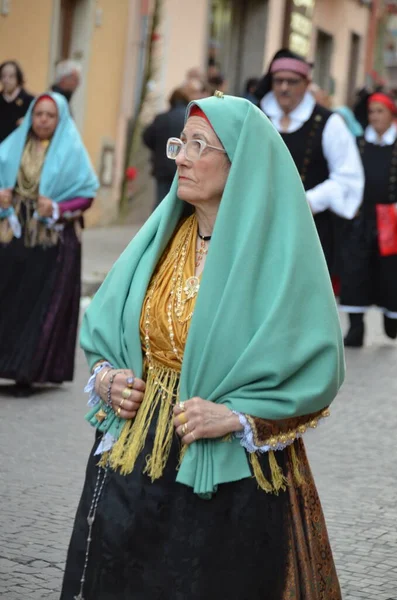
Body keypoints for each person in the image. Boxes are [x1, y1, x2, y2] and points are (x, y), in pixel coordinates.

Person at [61, 94, 344, 599]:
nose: (181, 158)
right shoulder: (161, 240)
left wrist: (236, 418)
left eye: (199, 146)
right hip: (135, 463)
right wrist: (106, 377)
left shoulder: (274, 261)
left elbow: (312, 367)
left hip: (229, 482)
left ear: (241, 164)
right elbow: (106, 326)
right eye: (180, 144)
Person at [0, 92, 99, 396]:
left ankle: (27, 369)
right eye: (38, 114)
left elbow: (86, 194)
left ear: (60, 119)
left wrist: (57, 208)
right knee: (9, 298)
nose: (43, 120)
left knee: (38, 303)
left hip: (51, 241)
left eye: (50, 115)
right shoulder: (13, 145)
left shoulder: (70, 149)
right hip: (13, 234)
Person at [256, 49, 364, 276]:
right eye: (279, 81)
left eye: (292, 82)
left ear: (306, 84)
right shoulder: (257, 117)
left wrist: (308, 202)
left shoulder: (328, 122)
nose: (284, 88)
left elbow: (347, 176)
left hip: (310, 229)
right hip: (260, 222)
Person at [340, 93, 397, 347]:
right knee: (356, 269)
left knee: (390, 271)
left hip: (392, 218)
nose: (375, 116)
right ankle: (356, 326)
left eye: (380, 111)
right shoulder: (358, 143)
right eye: (372, 112)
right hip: (361, 215)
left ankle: (391, 316)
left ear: (391, 115)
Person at [143, 88, 189, 208]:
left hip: (162, 168)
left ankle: (158, 226)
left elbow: (146, 137)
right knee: (182, 204)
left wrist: (158, 150)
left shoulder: (161, 118)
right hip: (181, 167)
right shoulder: (188, 118)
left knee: (161, 203)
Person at [0, 61, 35, 143]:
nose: (6, 80)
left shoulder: (29, 100)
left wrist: (28, 122)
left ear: (18, 78)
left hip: (20, 147)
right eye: (3, 76)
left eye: (11, 76)